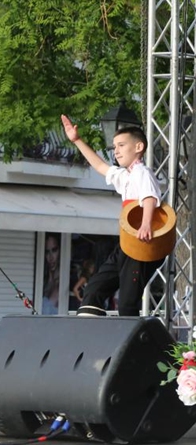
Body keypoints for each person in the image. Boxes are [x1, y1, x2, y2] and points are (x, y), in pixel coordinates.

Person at [60, 115, 164, 317]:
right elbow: (99, 166)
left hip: (141, 244)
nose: (116, 150)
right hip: (127, 244)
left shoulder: (142, 172)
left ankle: (133, 347)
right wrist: (76, 140)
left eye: (121, 145)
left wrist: (145, 225)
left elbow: (150, 197)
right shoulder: (125, 176)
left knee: (127, 303)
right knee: (93, 289)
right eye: (114, 146)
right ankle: (91, 338)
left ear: (138, 147)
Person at [42, 233, 60, 314]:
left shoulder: (62, 282)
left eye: (54, 250)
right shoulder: (43, 281)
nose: (51, 257)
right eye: (47, 252)